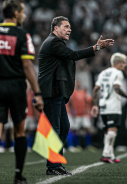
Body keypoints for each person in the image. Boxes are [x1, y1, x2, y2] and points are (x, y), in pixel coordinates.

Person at [0, 1, 44, 184]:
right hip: (15, 86)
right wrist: (37, 93)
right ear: (15, 13)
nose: (24, 15)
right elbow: (27, 65)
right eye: (22, 12)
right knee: (19, 131)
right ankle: (17, 175)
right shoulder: (22, 34)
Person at [38, 16, 114, 175]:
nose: (69, 30)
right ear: (55, 28)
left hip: (56, 92)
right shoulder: (54, 42)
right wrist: (96, 48)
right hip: (51, 93)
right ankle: (52, 166)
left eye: (69, 27)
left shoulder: (55, 42)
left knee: (63, 127)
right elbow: (74, 55)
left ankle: (56, 164)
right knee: (55, 129)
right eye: (65, 27)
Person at [91, 53, 127, 163]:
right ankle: (106, 154)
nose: (125, 65)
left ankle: (110, 155)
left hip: (103, 105)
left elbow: (95, 90)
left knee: (108, 130)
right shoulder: (118, 73)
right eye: (123, 63)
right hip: (113, 105)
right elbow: (117, 89)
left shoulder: (103, 73)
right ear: (118, 63)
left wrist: (95, 105)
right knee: (112, 130)